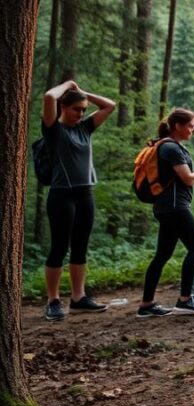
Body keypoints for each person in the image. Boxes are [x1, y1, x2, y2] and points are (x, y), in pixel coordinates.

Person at [40, 80, 117, 320]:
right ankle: (53, 301)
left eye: (83, 109)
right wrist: (68, 86)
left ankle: (78, 298)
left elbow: (110, 105)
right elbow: (48, 97)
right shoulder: (53, 130)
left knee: (80, 247)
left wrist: (83, 93)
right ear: (64, 107)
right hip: (62, 194)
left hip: (85, 193)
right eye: (76, 109)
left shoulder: (85, 128)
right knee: (59, 247)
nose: (81, 113)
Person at [137, 108, 194, 317]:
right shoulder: (170, 148)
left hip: (166, 208)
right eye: (190, 125)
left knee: (162, 254)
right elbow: (188, 178)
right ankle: (185, 300)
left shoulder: (166, 146)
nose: (193, 130)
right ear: (178, 126)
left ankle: (146, 305)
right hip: (175, 207)